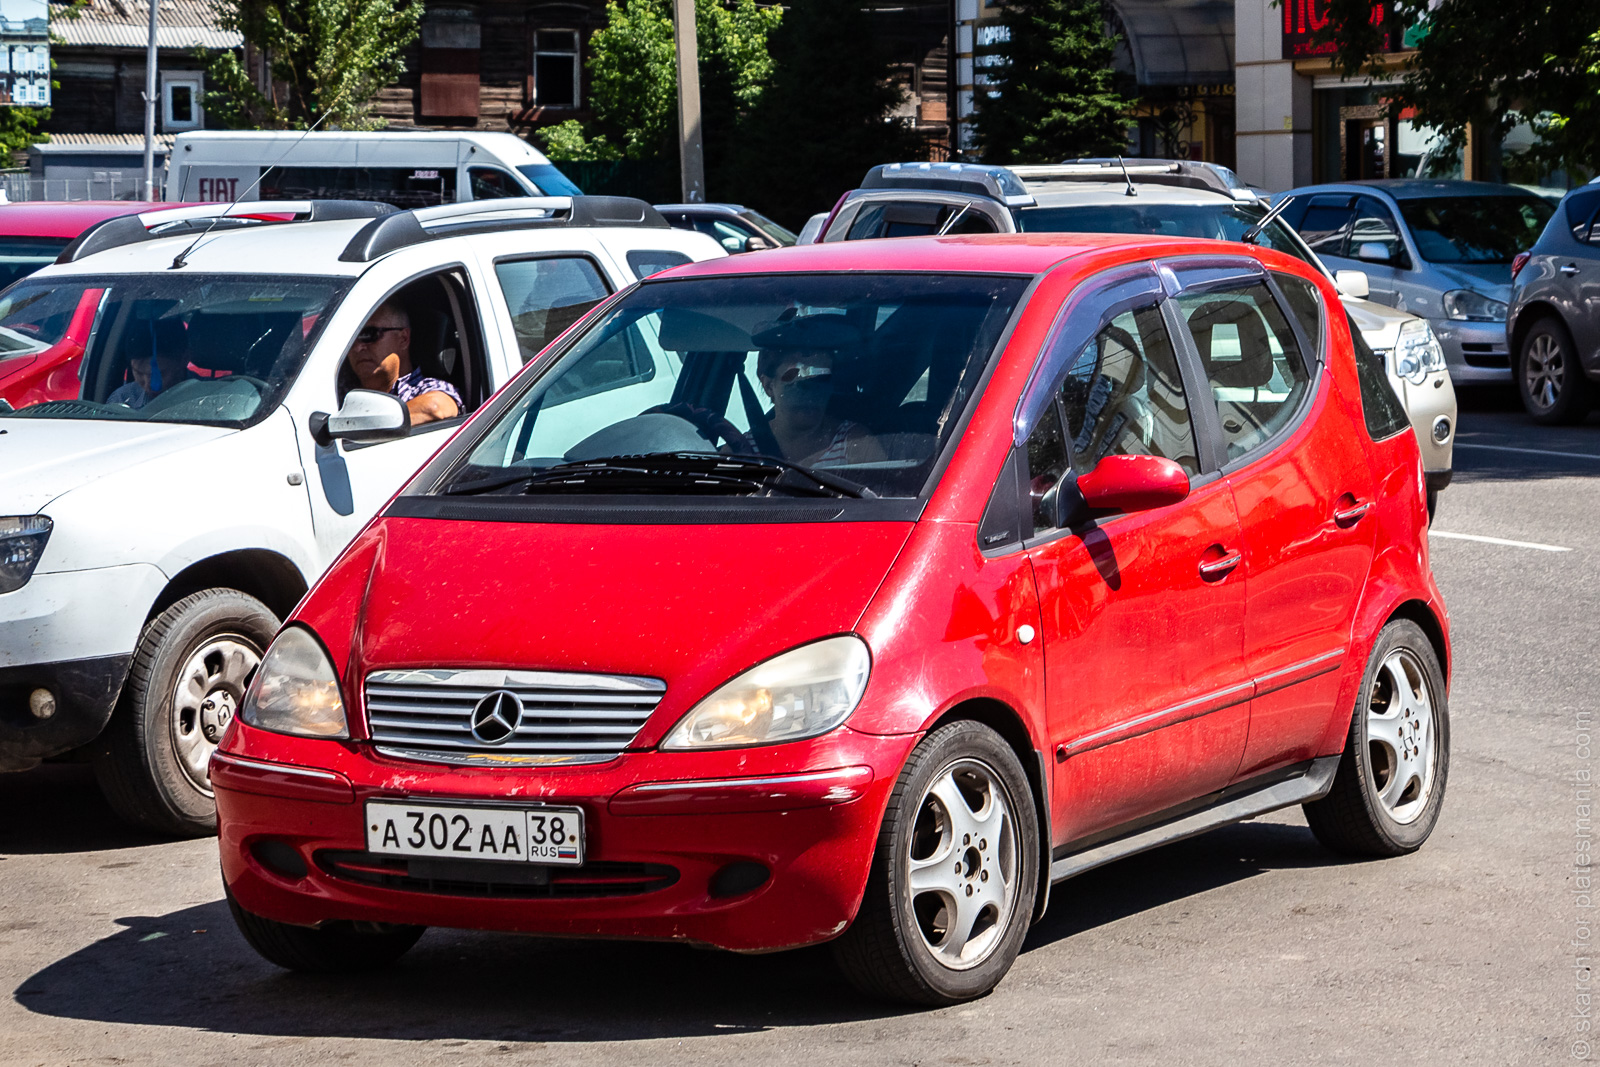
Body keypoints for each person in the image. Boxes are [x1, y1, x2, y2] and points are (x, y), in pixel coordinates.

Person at [753, 316, 884, 467]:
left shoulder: (856, 443)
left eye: (821, 380)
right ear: (769, 386)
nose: (811, 394)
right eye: (798, 382)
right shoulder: (742, 449)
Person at [344, 301, 460, 425]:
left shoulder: (425, 389)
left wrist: (362, 425)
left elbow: (435, 408)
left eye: (369, 334)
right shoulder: (337, 391)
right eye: (350, 338)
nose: (357, 347)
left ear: (403, 338)